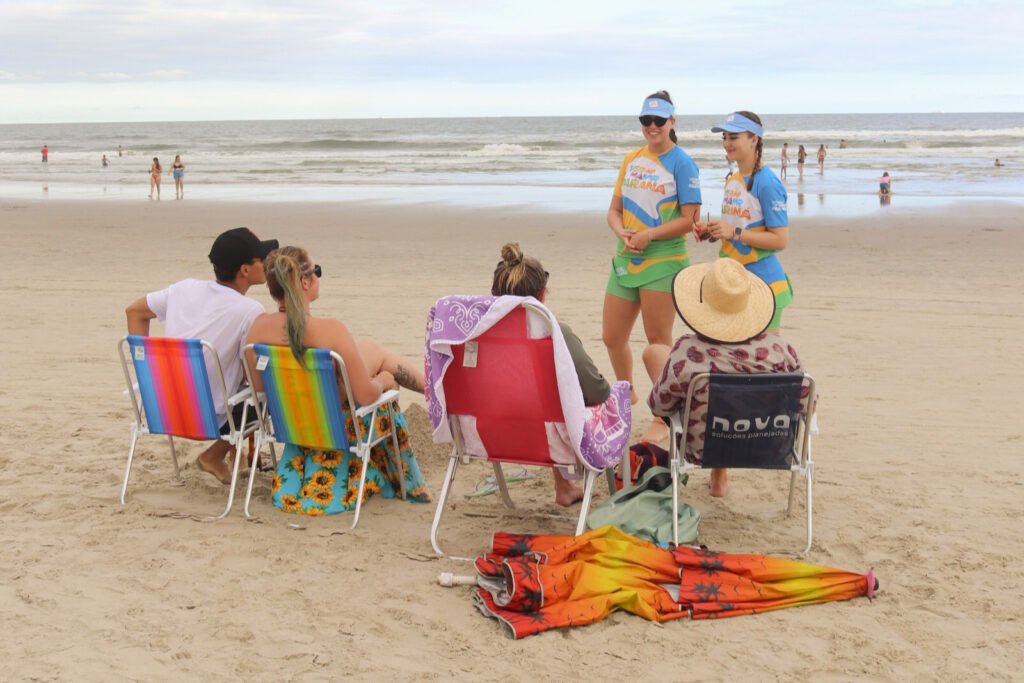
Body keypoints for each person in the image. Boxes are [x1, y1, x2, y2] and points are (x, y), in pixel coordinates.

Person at [244, 246, 431, 516]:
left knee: (369, 349)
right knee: (379, 358)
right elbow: (366, 397)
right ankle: (437, 393)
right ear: (305, 282)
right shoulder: (330, 331)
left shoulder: (259, 327)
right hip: (335, 428)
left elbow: (260, 389)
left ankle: (434, 390)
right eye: (316, 272)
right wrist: (384, 380)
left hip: (293, 423)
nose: (319, 277)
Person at [125, 227, 279, 484]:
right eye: (260, 259)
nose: (265, 263)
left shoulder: (184, 289)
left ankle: (236, 453)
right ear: (244, 270)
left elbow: (134, 312)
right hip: (209, 420)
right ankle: (214, 455)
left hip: (162, 409)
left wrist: (146, 367)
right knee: (266, 392)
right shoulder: (250, 310)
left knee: (230, 378)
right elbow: (252, 379)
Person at [646, 258, 802, 497]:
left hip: (702, 447)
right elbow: (807, 406)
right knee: (732, 404)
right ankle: (720, 476)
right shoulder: (781, 351)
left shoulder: (688, 354)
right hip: (769, 444)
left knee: (655, 353)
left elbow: (660, 405)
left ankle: (719, 469)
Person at [491, 242, 611, 506]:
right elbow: (596, 391)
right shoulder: (556, 334)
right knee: (562, 403)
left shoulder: (477, 337)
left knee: (538, 401)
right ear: (542, 295)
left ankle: (564, 486)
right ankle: (572, 485)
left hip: (491, 435)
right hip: (546, 437)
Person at [604, 90, 701, 415]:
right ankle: (627, 397)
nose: (652, 125)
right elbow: (614, 211)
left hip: (664, 261)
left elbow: (690, 220)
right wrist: (622, 232)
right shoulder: (631, 159)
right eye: (646, 119)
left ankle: (666, 412)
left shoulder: (682, 163)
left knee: (657, 340)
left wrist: (649, 235)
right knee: (611, 337)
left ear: (672, 121)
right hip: (626, 259)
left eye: (659, 120)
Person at [694, 111, 793, 332]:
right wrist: (713, 231)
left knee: (763, 360)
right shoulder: (733, 180)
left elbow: (780, 240)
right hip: (732, 284)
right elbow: (738, 227)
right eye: (724, 138)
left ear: (754, 139)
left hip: (764, 284)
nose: (727, 144)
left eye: (734, 137)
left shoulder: (767, 183)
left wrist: (733, 232)